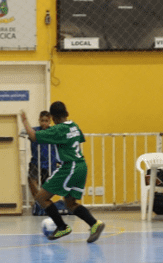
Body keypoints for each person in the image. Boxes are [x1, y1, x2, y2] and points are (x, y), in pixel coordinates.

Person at [20, 102, 104, 242]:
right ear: (67, 113)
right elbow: (78, 139)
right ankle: (95, 224)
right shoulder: (74, 126)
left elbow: (34, 136)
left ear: (53, 117)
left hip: (69, 167)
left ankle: (62, 227)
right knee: (70, 204)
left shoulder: (59, 129)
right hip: (81, 166)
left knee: (41, 197)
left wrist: (24, 121)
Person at [27, 111, 60, 202]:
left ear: (50, 122)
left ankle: (43, 201)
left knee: (48, 186)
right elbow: (26, 131)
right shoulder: (36, 131)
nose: (44, 123)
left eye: (46, 121)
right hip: (36, 161)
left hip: (50, 163)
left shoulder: (53, 131)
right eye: (42, 120)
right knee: (32, 179)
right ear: (39, 120)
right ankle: (38, 201)